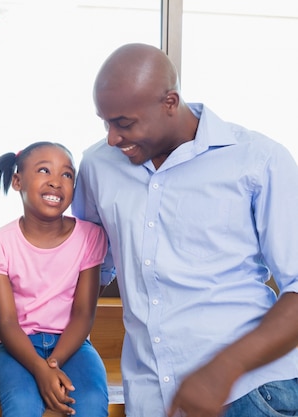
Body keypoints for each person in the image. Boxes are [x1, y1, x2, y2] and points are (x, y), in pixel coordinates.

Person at [71, 42, 298, 417]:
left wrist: (225, 369)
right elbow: (89, 267)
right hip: (150, 399)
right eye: (105, 122)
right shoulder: (98, 165)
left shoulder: (259, 159)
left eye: (124, 123)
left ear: (170, 102)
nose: (112, 137)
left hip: (251, 395)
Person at [0, 141, 110, 417]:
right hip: (14, 346)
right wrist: (41, 370)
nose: (56, 182)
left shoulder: (90, 237)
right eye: (44, 171)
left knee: (91, 399)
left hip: (73, 343)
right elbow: (6, 322)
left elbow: (83, 313)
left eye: (67, 175)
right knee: (22, 404)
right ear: (17, 181)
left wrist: (53, 363)